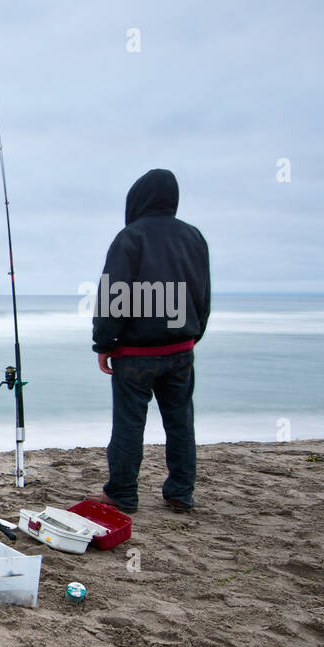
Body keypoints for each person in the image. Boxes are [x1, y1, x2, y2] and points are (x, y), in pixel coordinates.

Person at [88, 168, 210, 514]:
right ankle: (180, 493)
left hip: (135, 352)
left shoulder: (131, 237)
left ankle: (123, 493)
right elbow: (203, 293)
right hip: (181, 349)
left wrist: (104, 343)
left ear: (138, 199)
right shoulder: (194, 237)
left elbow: (114, 293)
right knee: (180, 421)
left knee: (129, 423)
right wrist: (194, 332)